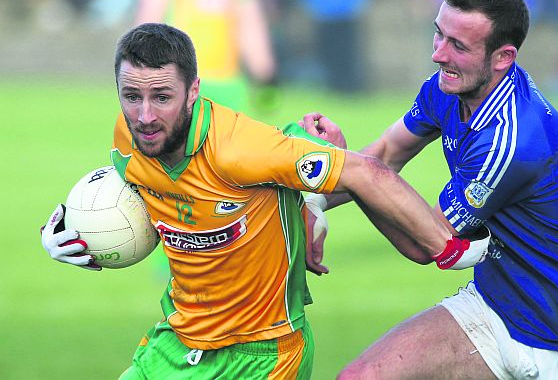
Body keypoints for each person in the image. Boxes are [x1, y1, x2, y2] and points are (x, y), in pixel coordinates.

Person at [39, 22, 462, 379]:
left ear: (193, 91)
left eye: (162, 97)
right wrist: (69, 234)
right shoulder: (128, 139)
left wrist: (449, 247)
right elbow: (125, 199)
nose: (145, 116)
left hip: (263, 356)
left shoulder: (240, 149)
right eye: (131, 97)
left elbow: (366, 172)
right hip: (177, 343)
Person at [301, 0, 558, 379]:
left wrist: (353, 171)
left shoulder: (512, 140)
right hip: (493, 307)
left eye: (458, 45)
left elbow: (428, 242)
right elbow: (386, 154)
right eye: (438, 35)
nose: (439, 54)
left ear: (503, 58)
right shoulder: (449, 86)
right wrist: (312, 195)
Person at [135, 0, 276, 112]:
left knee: (234, 135)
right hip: (180, 79)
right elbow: (149, 18)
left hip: (228, 82)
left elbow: (250, 22)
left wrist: (263, 70)